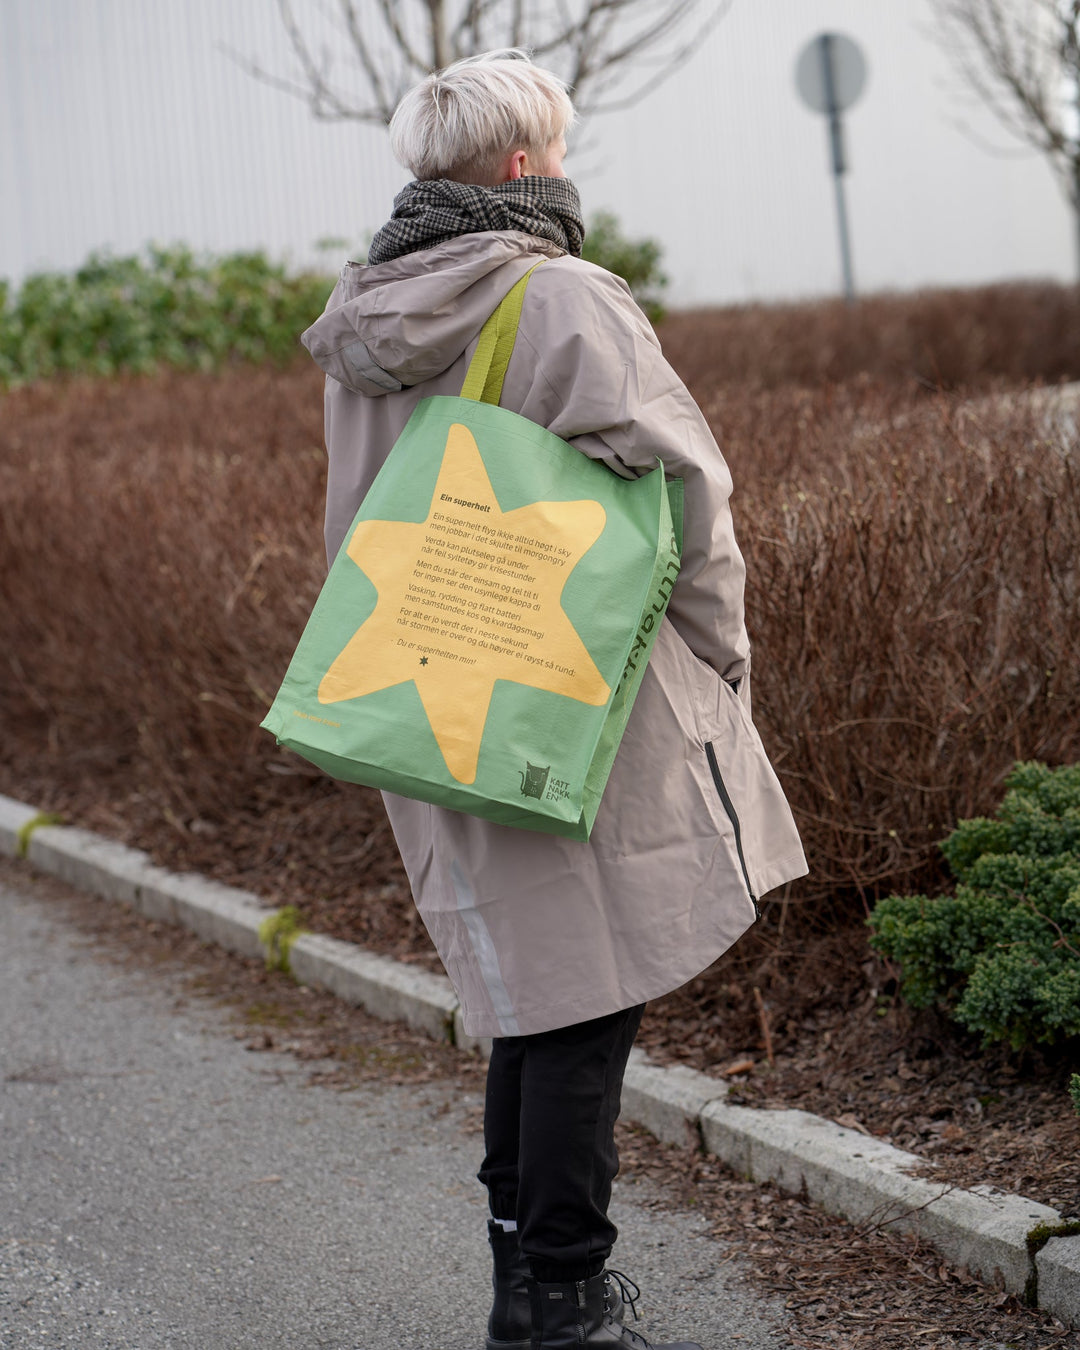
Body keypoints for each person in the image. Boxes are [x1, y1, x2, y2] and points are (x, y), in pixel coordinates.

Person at [300, 49, 807, 1350]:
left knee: (534, 986)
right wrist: (723, 652)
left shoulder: (364, 320)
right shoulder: (563, 298)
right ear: (528, 165)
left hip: (431, 681)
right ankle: (562, 1302)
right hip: (572, 695)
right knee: (584, 991)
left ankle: (528, 1278)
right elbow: (692, 502)